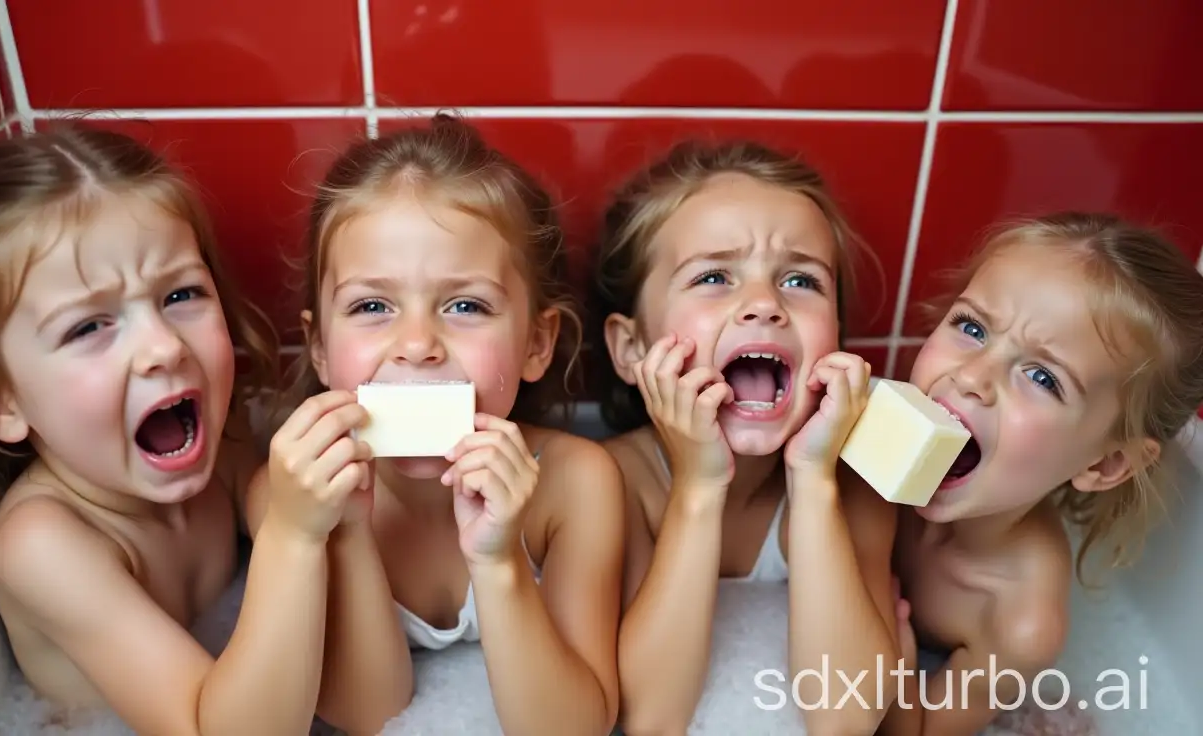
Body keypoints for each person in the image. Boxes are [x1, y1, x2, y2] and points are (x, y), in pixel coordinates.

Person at [0, 125, 348, 735]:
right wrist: (292, 536)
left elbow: (274, 499)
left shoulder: (225, 444)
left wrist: (293, 508)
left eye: (180, 293)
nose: (162, 347)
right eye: (88, 328)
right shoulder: (45, 543)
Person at [245, 113, 624, 735]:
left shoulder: (575, 482)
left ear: (536, 342)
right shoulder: (290, 497)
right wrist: (347, 531)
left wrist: (499, 562)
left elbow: (574, 727)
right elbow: (372, 717)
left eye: (465, 305)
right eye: (372, 306)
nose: (417, 344)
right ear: (318, 349)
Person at [593, 139, 899, 735]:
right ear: (632, 349)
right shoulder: (610, 483)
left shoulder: (856, 482)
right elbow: (649, 719)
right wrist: (698, 487)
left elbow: (848, 716)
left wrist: (813, 482)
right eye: (713, 276)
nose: (764, 304)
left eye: (801, 281)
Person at [883, 212, 1203, 734]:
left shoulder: (1019, 621)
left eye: (1041, 377)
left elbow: (913, 731)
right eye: (972, 327)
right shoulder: (880, 452)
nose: (971, 377)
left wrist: (888, 654)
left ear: (1105, 463)